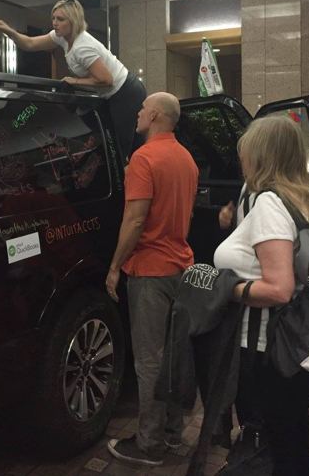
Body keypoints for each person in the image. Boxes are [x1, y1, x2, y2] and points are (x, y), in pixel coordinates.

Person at [215, 116, 309, 475]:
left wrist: (224, 288)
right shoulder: (302, 198)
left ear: (262, 155)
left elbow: (279, 288)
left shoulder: (269, 205)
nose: (241, 159)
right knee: (291, 445)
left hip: (263, 350)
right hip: (288, 347)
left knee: (269, 448)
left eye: (245, 151)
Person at [105, 92, 199, 466]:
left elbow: (135, 220)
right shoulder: (187, 159)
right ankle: (173, 434)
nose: (138, 114)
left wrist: (115, 266)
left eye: (143, 109)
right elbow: (186, 215)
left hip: (149, 272)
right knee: (175, 357)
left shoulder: (144, 159)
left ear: (156, 114)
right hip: (182, 268)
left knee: (149, 362)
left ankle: (149, 445)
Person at [0, 0, 146, 165]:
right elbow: (30, 44)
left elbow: (107, 80)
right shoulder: (62, 37)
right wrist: (9, 31)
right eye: (53, 18)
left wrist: (75, 81)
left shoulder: (82, 47)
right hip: (114, 94)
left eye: (60, 19)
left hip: (125, 93)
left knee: (121, 154)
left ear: (73, 21)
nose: (55, 23)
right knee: (116, 146)